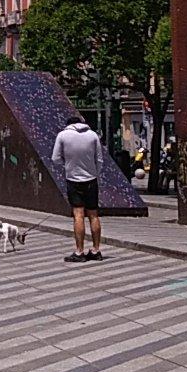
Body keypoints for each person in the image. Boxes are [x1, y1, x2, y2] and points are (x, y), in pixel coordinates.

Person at [51, 112, 105, 263]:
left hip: (73, 180)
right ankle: (96, 250)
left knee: (78, 215)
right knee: (93, 215)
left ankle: (79, 251)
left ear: (68, 125)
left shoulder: (63, 135)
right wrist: (95, 173)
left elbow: (55, 159)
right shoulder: (93, 135)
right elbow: (99, 159)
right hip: (91, 179)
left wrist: (68, 165)